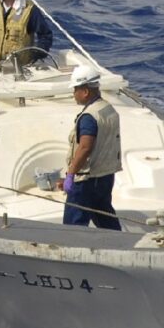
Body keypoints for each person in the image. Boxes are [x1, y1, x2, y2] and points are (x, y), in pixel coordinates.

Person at [58, 65, 122, 230]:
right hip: (105, 176)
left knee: (74, 226)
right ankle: (120, 242)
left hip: (86, 181)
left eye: (75, 90)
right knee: (105, 218)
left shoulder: (89, 116)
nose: (74, 94)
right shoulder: (108, 109)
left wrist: (70, 175)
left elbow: (85, 147)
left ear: (85, 91)